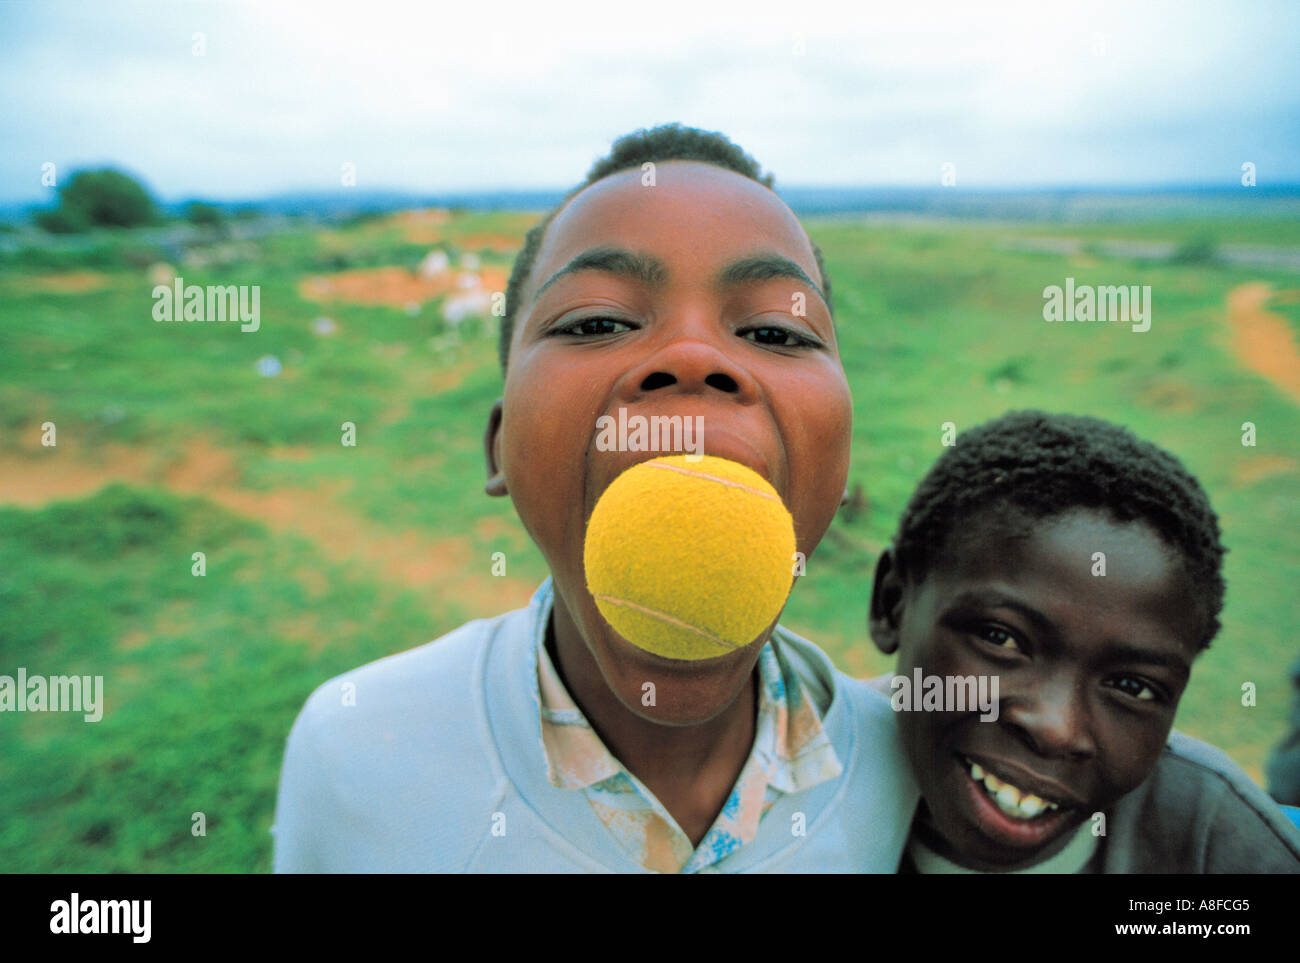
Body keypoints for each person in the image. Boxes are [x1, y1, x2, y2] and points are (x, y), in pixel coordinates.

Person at [272, 124, 917, 872]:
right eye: (599, 321)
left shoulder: (911, 770)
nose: (692, 357)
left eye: (775, 329)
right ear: (500, 444)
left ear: (837, 465)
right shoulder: (353, 757)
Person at [867, 409, 1300, 872]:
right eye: (1001, 638)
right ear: (893, 603)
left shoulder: (1223, 847)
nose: (1055, 729)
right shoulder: (796, 785)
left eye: (1133, 687)